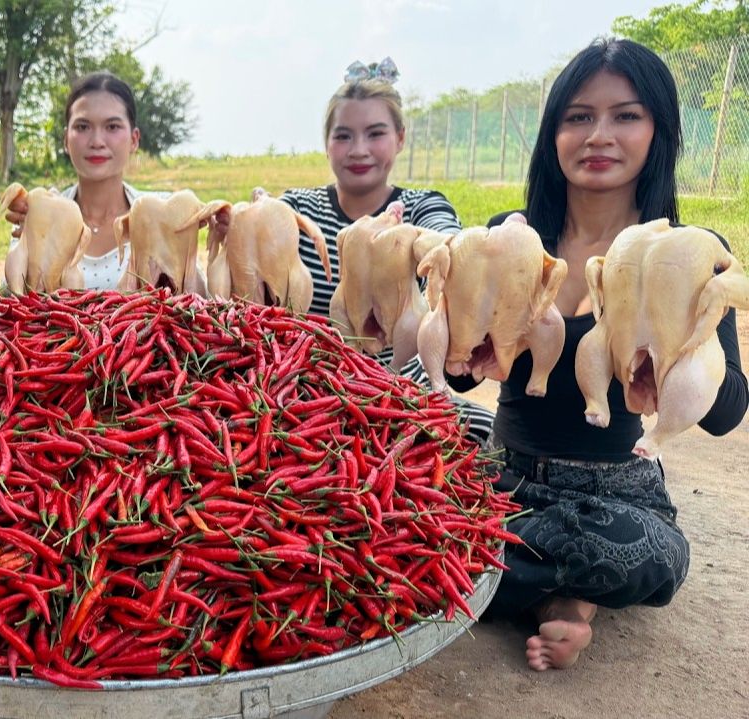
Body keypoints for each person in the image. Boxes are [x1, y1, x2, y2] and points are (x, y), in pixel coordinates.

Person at [455, 38, 747, 671]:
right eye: (578, 116)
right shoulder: (513, 237)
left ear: (660, 130)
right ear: (553, 133)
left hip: (613, 493)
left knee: (648, 553)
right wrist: (455, 334)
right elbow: (457, 377)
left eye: (626, 115)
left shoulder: (692, 250)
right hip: (503, 475)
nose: (599, 135)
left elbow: (725, 415)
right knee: (401, 498)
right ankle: (562, 593)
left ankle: (499, 578)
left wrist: (696, 318)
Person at [274, 58, 495, 443]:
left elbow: (450, 243)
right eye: (343, 136)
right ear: (326, 143)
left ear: (400, 138)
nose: (358, 150)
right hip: (306, 395)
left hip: (405, 398)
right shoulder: (296, 210)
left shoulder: (422, 207)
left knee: (485, 438)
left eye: (375, 133)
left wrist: (447, 249)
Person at [4, 71, 151, 289]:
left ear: (134, 139)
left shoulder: (157, 215)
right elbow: (8, 304)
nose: (97, 141)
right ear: (66, 139)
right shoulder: (39, 214)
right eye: (82, 127)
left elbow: (198, 302)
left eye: (112, 127)